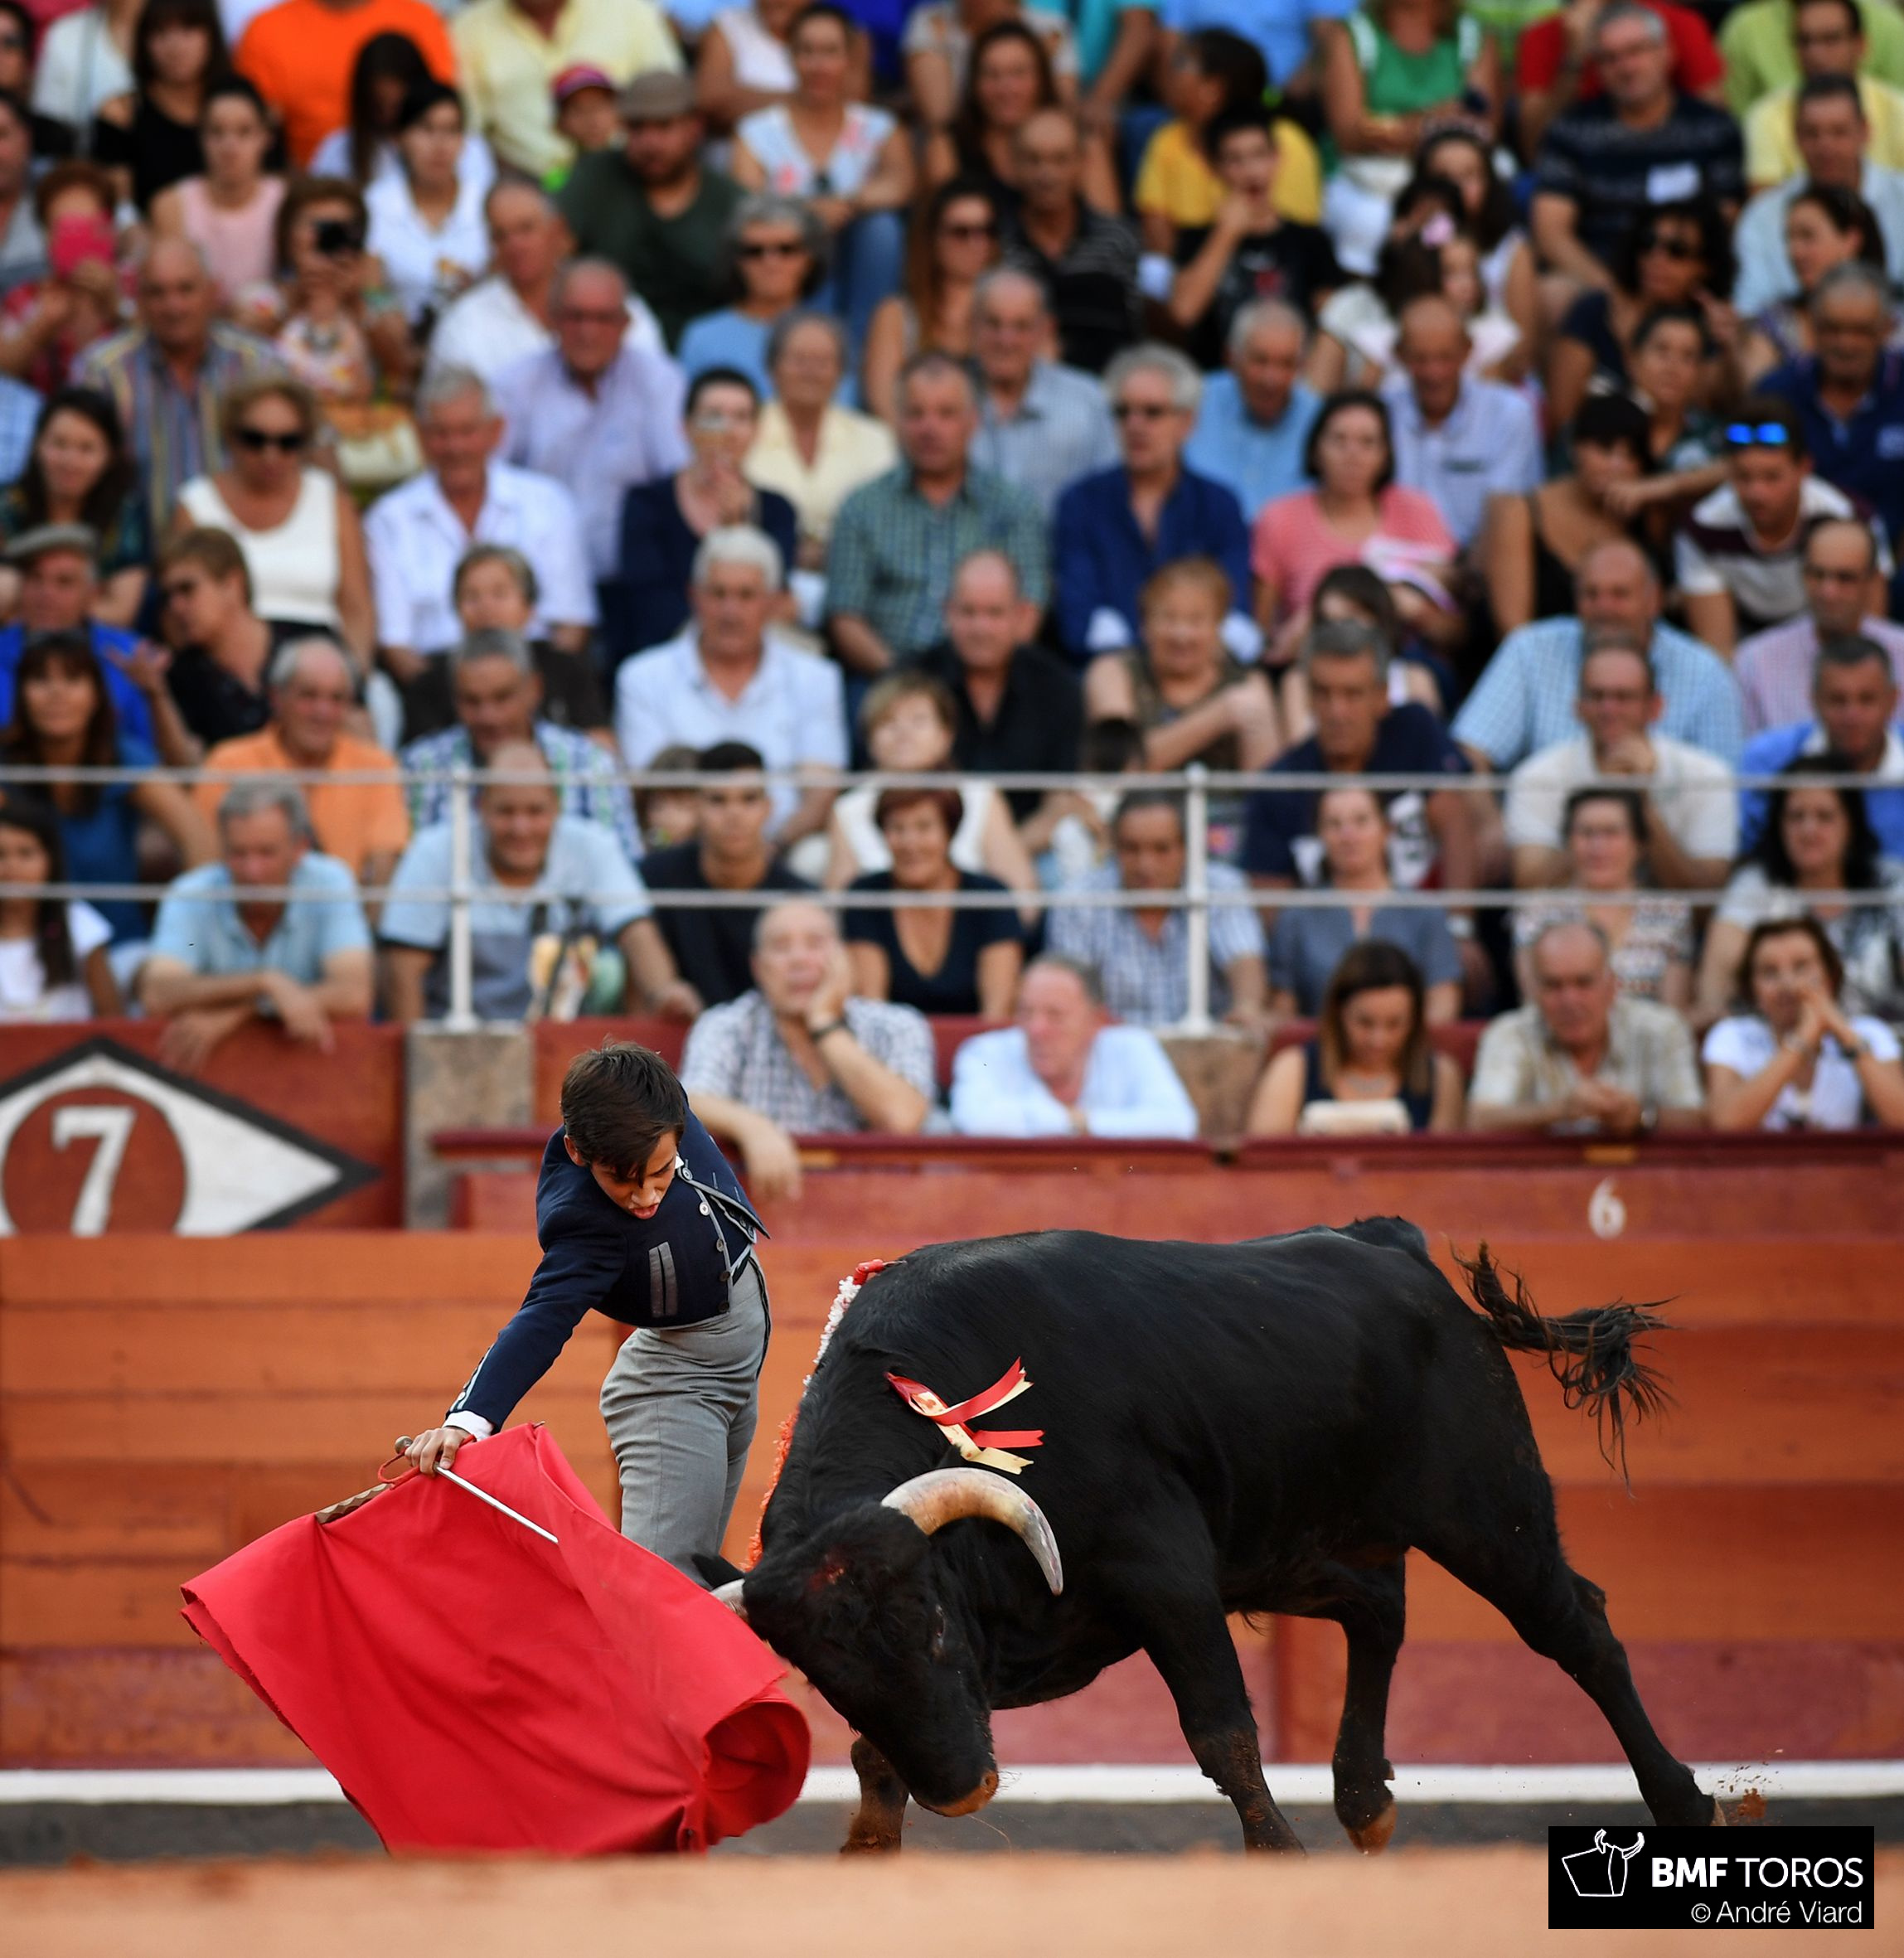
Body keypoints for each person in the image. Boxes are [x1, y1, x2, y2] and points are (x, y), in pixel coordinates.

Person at [402, 1039, 773, 1585]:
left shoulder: (656, 1101)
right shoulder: (583, 1221)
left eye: (662, 1171)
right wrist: (468, 1420)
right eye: (623, 1180)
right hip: (678, 1385)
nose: (645, 1195)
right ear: (579, 1153)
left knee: (700, 1588)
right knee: (664, 1595)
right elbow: (544, 1315)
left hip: (730, 1368)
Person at [380, 741, 695, 1022]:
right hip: (458, 1045)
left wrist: (664, 992)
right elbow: (402, 969)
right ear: (481, 807)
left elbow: (637, 933)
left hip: (571, 1051)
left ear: (557, 806)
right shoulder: (435, 850)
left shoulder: (592, 845)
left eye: (535, 811)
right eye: (506, 811)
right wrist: (419, 1066)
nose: (521, 828)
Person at [364, 365, 596, 737]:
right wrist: (463, 696)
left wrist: (522, 697)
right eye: (440, 433)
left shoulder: (547, 502)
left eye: (467, 431)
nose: (455, 447)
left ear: (496, 431)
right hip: (439, 693)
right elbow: (396, 645)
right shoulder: (390, 518)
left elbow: (571, 624)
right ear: (421, 437)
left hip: (539, 686)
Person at [681, 897, 934, 1197]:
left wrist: (824, 1023)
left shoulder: (896, 1025)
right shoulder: (725, 1024)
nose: (798, 959)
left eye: (815, 944)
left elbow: (902, 1119)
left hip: (880, 1211)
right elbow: (690, 1100)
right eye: (781, 947)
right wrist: (753, 1127)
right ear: (758, 968)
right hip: (766, 1217)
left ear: (843, 958)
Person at [493, 259, 692, 639]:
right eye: (575, 317)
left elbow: (674, 480)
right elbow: (495, 481)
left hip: (633, 584)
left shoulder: (660, 382)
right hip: (538, 587)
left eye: (602, 319)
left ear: (625, 325)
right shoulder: (514, 384)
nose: (588, 332)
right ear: (551, 319)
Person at [618, 526, 845, 847]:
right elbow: (652, 789)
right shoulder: (642, 677)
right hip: (680, 849)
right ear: (693, 596)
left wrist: (766, 854)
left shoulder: (816, 677)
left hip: (781, 849)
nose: (730, 611)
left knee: (817, 854)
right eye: (718, 594)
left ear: (772, 602)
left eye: (746, 595)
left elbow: (820, 794)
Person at [826, 351, 1047, 676]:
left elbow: (1028, 609)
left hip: (988, 681)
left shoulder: (1014, 506)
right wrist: (904, 681)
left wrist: (977, 677)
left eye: (946, 414)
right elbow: (845, 617)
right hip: (887, 680)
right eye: (916, 414)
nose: (930, 428)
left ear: (973, 421)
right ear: (897, 420)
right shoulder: (861, 506)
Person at [137, 779, 373, 1070]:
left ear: (300, 848)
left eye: (266, 853)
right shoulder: (193, 897)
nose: (252, 871)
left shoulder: (329, 884)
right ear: (222, 850)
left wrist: (241, 1012)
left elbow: (353, 993)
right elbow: (161, 992)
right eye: (239, 853)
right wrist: (265, 981)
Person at [1451, 539, 1746, 769]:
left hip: (1666, 836)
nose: (1604, 608)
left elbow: (1722, 788)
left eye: (1619, 594)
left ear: (1653, 599)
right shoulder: (1529, 649)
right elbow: (1470, 755)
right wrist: (1489, 825)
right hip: (1546, 833)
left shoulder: (1705, 672)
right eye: (1591, 594)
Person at [0, 629, 213, 944]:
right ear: (21, 693)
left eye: (72, 679)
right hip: (23, 955)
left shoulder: (123, 757)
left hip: (120, 949)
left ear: (97, 693)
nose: (56, 693)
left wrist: (182, 938)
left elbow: (201, 844)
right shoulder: (5, 764)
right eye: (41, 680)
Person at [1243, 616, 1475, 904]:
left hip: (1422, 935)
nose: (1336, 711)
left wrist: (1459, 927)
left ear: (1382, 696)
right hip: (1325, 945)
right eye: (1322, 693)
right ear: (1307, 697)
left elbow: (1457, 828)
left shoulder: (1415, 732)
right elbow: (1272, 907)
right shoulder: (1279, 785)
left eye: (1352, 694)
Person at [1054, 343, 1254, 664]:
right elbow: (1079, 622)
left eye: (1152, 412)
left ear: (1186, 422)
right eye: (1123, 412)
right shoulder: (1080, 503)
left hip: (1203, 677)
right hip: (1109, 675)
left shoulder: (1219, 505)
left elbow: (1232, 613)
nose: (1135, 425)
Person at [731, 2, 911, 350]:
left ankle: (865, 353)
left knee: (881, 228)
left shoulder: (879, 127)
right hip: (790, 265)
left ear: (850, 58)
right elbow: (747, 198)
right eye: (807, 51)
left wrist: (842, 204)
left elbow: (901, 182)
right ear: (790, 55)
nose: (819, 65)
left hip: (860, 261)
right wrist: (809, 213)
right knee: (794, 238)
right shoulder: (756, 131)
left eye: (830, 51)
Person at [1530, 2, 1744, 294]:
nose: (1626, 67)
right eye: (1611, 58)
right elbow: (1552, 233)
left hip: (1688, 278)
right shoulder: (1570, 132)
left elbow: (1725, 221)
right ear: (1598, 68)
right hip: (1600, 280)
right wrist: (1612, 293)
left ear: (1667, 53)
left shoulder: (1713, 129)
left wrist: (1675, 281)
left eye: (1636, 51)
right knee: (1553, 293)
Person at [72, 236, 280, 531]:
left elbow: (309, 453)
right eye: (157, 292)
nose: (173, 306)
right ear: (138, 298)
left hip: (246, 554)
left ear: (213, 291)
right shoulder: (102, 371)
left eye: (186, 289)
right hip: (137, 561)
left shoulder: (258, 365)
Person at [1505, 635, 1737, 893]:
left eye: (1623, 697)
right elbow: (1529, 885)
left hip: (1666, 928)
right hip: (1566, 923)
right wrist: (1604, 798)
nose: (1608, 709)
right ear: (1577, 707)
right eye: (1597, 695)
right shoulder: (1536, 775)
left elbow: (1705, 897)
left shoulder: (1707, 774)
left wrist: (1641, 800)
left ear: (1655, 707)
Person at [1251, 387, 1460, 668]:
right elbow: (1262, 635)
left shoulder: (1419, 511)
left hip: (1407, 669)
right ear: (1315, 448)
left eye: (1368, 442)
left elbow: (1457, 633)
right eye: (1339, 440)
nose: (1353, 455)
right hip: (1311, 669)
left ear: (1386, 454)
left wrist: (1408, 607)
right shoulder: (1279, 517)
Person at [176, 376, 375, 667]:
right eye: (255, 440)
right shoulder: (195, 505)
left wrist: (356, 680)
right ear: (231, 437)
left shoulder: (331, 499)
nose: (271, 455)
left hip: (321, 670)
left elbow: (357, 608)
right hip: (226, 669)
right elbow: (181, 610)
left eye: (288, 442)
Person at [399, 628, 643, 863]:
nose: (489, 716)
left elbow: (624, 874)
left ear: (534, 689)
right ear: (454, 698)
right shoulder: (419, 767)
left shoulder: (590, 764)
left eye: (502, 697)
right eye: (472, 701)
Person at [1696, 758, 1904, 1026]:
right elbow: (1714, 994)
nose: (1809, 830)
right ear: (1778, 824)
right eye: (1796, 816)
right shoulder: (1756, 885)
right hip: (1783, 1053)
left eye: (1824, 816)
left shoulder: (1890, 883)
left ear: (1851, 823)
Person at [196, 637, 409, 889]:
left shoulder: (376, 766)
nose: (323, 712)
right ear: (277, 697)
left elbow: (383, 867)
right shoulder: (228, 763)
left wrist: (355, 925)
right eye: (309, 696)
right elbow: (205, 861)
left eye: (336, 699)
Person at [616, 368, 797, 662]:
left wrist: (739, 529)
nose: (727, 429)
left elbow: (773, 600)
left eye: (741, 417)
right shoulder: (646, 504)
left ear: (756, 430)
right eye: (713, 416)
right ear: (685, 427)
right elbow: (648, 605)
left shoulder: (778, 510)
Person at [558, 70, 746, 351]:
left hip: (707, 352)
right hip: (606, 348)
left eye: (664, 126)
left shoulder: (730, 200)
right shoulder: (593, 177)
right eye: (637, 127)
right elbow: (551, 251)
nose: (650, 143)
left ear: (695, 127)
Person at [1677, 408, 1891, 657]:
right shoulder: (1703, 528)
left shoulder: (1850, 519)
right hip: (1745, 646)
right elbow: (1718, 649)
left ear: (1804, 468)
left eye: (1772, 477)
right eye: (1743, 477)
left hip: (1832, 643)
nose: (1757, 493)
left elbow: (1869, 632)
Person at [1049, 789, 1268, 1029]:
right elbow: (1070, 991)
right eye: (1131, 848)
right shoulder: (1079, 901)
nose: (1146, 865)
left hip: (1204, 1051)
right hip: (1110, 1053)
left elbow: (1243, 959)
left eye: (1161, 849)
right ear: (1113, 847)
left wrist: (1247, 1006)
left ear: (1186, 849)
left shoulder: (1220, 887)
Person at [1468, 919, 1706, 1135]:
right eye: (1554, 985)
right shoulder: (1509, 1033)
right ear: (1535, 990)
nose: (1569, 1001)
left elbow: (1696, 1120)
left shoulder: (1662, 1029)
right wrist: (1561, 1109)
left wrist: (1642, 1117)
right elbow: (1480, 1121)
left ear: (1611, 985)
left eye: (1583, 983)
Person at [1315, 0, 1497, 274]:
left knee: (1484, 195)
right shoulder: (1352, 35)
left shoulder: (1473, 36)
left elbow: (1485, 129)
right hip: (1369, 179)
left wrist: (1402, 131)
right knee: (1371, 221)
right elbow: (1349, 135)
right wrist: (1432, 121)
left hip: (1448, 168)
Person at [917, 547, 1083, 842]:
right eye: (968, 612)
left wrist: (1006, 860)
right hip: (928, 852)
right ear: (947, 611)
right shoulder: (914, 681)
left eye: (994, 613)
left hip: (1031, 848)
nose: (981, 628)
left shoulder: (1057, 687)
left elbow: (1061, 798)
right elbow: (895, 791)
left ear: (1022, 615)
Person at [428, 181, 665, 386]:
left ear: (558, 230)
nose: (515, 245)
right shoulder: (464, 324)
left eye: (526, 229)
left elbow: (654, 388)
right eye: (501, 235)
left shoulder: (616, 305)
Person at [825, 669, 1039, 893]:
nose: (903, 733)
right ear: (870, 740)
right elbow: (839, 906)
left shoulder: (981, 797)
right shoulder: (848, 809)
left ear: (946, 735)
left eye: (918, 721)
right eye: (888, 722)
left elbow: (1021, 892)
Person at [1084, 558, 1281, 801]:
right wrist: (1219, 715)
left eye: (1195, 620)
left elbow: (1267, 793)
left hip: (1225, 828)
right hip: (1136, 827)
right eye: (1169, 618)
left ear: (1219, 627)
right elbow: (1118, 769)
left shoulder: (1248, 684)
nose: (1181, 635)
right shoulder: (1114, 672)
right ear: (1145, 624)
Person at [1263, 783, 1463, 1020]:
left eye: (1361, 821)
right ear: (1320, 835)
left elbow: (1442, 1004)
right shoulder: (1297, 915)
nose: (1348, 836)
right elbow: (1283, 1009)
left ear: (1386, 830)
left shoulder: (1425, 912)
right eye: (1334, 824)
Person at [948, 953, 1200, 1138]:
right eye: (1025, 1013)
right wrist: (1078, 1124)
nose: (1036, 1030)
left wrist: (1076, 1122)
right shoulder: (984, 1052)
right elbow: (977, 1121)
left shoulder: (1133, 1046)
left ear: (1096, 1021)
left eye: (1055, 1015)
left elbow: (1177, 1123)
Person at [640, 742, 814, 1009]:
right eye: (718, 800)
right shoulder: (653, 878)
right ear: (697, 807)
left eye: (749, 799)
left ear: (768, 808)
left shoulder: (801, 899)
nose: (734, 815)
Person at [1168, 105, 1341, 371]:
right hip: (1219, 379)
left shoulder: (1310, 240)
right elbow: (1184, 313)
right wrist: (1226, 234)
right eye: (1234, 160)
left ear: (1277, 158)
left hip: (1290, 379)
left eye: (1259, 155)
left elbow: (1334, 325)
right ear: (1214, 167)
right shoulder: (1197, 237)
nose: (1251, 172)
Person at [1545, 197, 1735, 429]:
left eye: (1677, 250)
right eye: (1648, 243)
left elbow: (1705, 414)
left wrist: (1728, 348)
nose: (1658, 258)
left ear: (1705, 267)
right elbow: (1564, 418)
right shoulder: (1594, 311)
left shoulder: (1709, 328)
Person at [1760, 263, 1904, 568]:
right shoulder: (1776, 394)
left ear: (1887, 329)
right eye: (1832, 328)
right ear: (1811, 325)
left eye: (1861, 331)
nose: (1845, 344)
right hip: (1796, 573)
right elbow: (1747, 469)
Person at [1480, 394, 1658, 637]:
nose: (1617, 466)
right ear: (1575, 447)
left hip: (1622, 664)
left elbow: (1722, 470)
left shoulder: (1648, 515)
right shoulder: (1521, 512)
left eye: (1631, 455)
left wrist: (1659, 489)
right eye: (1605, 449)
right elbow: (1513, 631)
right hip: (1534, 664)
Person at [1704, 914, 1904, 1128]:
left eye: (1801, 967)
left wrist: (1843, 1032)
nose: (1787, 984)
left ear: (1830, 975)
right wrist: (1803, 1037)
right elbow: (1726, 1124)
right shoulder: (1732, 1035)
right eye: (1770, 972)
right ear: (1752, 989)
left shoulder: (1869, 1032)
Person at [0, 524, 182, 756]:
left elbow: (168, 760)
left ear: (93, 593)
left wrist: (156, 695)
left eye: (64, 582)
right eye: (35, 579)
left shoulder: (131, 655)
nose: (46, 594)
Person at [1247, 939, 1464, 1134]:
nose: (1378, 1040)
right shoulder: (1292, 1068)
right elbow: (1264, 1159)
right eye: (1365, 1023)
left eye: (1394, 1024)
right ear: (1338, 1012)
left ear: (1415, 1020)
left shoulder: (1442, 1075)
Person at [1380, 293, 1542, 554]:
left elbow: (1506, 516)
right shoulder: (1379, 414)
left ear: (1468, 350)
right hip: (1396, 562)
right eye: (1420, 359)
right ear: (1399, 355)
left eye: (1445, 357)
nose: (1434, 373)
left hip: (1481, 564)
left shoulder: (1508, 413)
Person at [454, 0, 682, 184]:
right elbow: (465, 134)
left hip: (636, 179)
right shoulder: (468, 28)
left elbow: (674, 105)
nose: (590, 119)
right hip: (526, 189)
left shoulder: (632, 11)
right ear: (558, 124)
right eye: (578, 111)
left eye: (597, 107)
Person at [843, 785, 1023, 1017]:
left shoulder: (989, 897)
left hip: (977, 1049)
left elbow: (997, 1012)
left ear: (949, 832)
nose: (910, 843)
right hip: (890, 1050)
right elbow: (872, 1009)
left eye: (924, 827)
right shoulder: (866, 896)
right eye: (897, 828)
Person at [1734, 75, 1904, 315]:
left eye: (1839, 132)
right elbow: (1751, 308)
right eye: (1812, 133)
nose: (1825, 146)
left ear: (1864, 131)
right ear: (1796, 136)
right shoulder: (1763, 214)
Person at [1513, 788, 1695, 1010]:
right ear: (1569, 842)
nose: (1598, 847)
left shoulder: (1670, 912)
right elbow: (1535, 1004)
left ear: (1639, 844)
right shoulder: (1537, 911)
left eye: (1612, 832)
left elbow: (1672, 1013)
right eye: (1586, 833)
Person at [741, 308, 895, 566]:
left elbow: (885, 519)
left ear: (842, 372)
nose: (810, 371)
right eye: (798, 359)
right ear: (772, 368)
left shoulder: (875, 437)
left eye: (823, 361)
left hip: (853, 575)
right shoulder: (744, 431)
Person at [965, 266, 1119, 521]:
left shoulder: (1087, 401)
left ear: (1045, 329)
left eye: (1021, 326)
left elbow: (1111, 500)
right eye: (993, 324)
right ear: (973, 326)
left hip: (1061, 558)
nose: (1006, 341)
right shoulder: (945, 403)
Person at [999, 105, 1141, 376]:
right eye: (1033, 160)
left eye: (1060, 160)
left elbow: (1135, 330)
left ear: (1081, 163)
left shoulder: (1117, 239)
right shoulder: (997, 241)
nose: (1046, 174)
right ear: (1014, 165)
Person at [235, 0, 457, 171]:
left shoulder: (419, 19)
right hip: (305, 187)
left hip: (417, 175)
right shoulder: (266, 30)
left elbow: (439, 112)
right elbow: (252, 132)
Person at [1739, 632, 1904, 855]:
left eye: (1867, 699)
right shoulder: (1768, 760)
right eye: (1838, 700)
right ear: (1814, 699)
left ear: (1893, 700)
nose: (1852, 716)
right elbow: (1750, 854)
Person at [1735, 517, 1904, 734]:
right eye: (1817, 575)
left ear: (1872, 582)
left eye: (1845, 578)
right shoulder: (1756, 662)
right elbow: (1746, 762)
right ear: (1803, 575)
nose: (1829, 592)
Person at [0, 388, 148, 630]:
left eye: (86, 449)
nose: (70, 461)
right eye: (59, 444)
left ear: (110, 456)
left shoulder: (126, 512)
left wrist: (34, 607)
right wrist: (83, 603)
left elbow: (121, 611)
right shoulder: (6, 504)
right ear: (37, 445)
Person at [860, 176, 1002, 426]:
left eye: (986, 231)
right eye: (961, 232)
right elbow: (884, 406)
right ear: (933, 238)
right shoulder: (897, 314)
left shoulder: (1013, 309)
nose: (976, 243)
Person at [361, 80, 487, 331]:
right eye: (426, 129)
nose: (440, 145)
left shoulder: (485, 203)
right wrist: (392, 318)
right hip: (396, 344)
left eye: (452, 130)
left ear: (464, 141)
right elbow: (370, 290)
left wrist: (478, 290)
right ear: (399, 138)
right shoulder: (376, 204)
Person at [147, 76, 284, 303]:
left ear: (266, 137)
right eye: (216, 132)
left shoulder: (285, 202)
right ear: (201, 138)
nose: (229, 147)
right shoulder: (171, 205)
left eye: (244, 132)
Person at [1183, 298, 1321, 525]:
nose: (1272, 379)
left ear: (1302, 366)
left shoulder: (1320, 419)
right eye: (1260, 361)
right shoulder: (1193, 402)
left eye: (1286, 363)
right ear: (1231, 357)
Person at [1739, 182, 1889, 386]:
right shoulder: (1775, 322)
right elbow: (1759, 401)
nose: (1795, 252)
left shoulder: (1897, 321)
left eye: (1807, 236)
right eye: (1789, 238)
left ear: (1851, 241)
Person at [676, 192, 826, 395]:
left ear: (809, 258)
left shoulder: (828, 337)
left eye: (786, 249)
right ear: (737, 260)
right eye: (754, 251)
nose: (771, 262)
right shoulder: (702, 337)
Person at [89, 0, 229, 214]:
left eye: (188, 28)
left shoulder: (240, 106)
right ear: (143, 41)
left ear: (212, 35)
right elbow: (119, 208)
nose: (175, 46)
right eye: (160, 32)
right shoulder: (121, 114)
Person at [311, 30, 496, 191]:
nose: (390, 117)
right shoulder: (338, 150)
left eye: (398, 107)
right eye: (378, 106)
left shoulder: (469, 149)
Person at [1745, 0, 1904, 186]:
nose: (1815, 53)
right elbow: (1765, 203)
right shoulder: (1766, 115)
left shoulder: (1899, 110)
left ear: (1860, 45)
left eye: (1831, 39)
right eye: (1805, 41)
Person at [0, 157, 122, 396]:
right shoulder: (23, 299)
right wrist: (37, 330)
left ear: (110, 230)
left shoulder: (140, 289)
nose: (77, 242)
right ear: (46, 236)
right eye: (66, 229)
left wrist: (118, 311)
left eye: (87, 228)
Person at [155, 526, 276, 750]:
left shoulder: (306, 645)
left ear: (232, 584)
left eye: (187, 589)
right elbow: (192, 773)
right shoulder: (179, 678)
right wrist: (156, 695)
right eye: (168, 595)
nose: (175, 606)